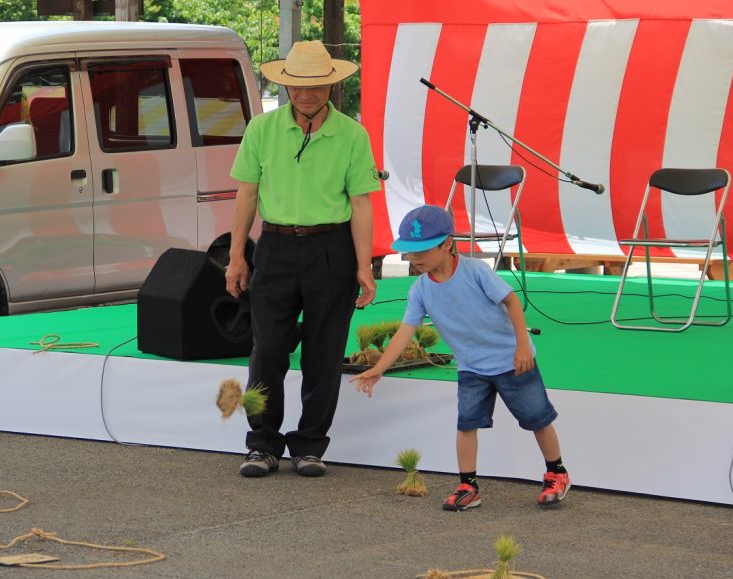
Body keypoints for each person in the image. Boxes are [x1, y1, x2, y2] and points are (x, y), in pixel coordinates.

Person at [225, 40, 382, 478]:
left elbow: (361, 203)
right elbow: (247, 194)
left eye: (316, 85)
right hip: (274, 247)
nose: (306, 94)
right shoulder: (262, 128)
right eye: (297, 86)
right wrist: (237, 257)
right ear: (285, 84)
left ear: (331, 85)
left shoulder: (352, 134)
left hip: (331, 248)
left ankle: (310, 445)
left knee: (324, 351)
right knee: (266, 349)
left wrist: (364, 265)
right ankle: (261, 444)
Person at [350, 205, 570, 509]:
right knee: (466, 424)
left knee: (537, 419)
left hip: (512, 361)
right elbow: (405, 332)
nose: (415, 257)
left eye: (423, 249)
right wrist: (379, 369)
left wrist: (521, 346)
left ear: (448, 243)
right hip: (471, 367)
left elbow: (512, 302)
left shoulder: (476, 271)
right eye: (409, 251)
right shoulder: (420, 290)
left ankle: (556, 472)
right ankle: (468, 486)